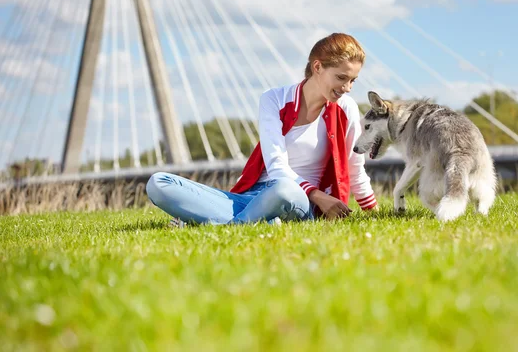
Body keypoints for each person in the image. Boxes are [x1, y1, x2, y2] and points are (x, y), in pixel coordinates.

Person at [146, 32, 378, 226]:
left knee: (284, 190)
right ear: (317, 67)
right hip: (251, 197)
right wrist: (320, 196)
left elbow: (355, 168)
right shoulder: (274, 99)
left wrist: (372, 211)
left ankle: (227, 226)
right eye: (341, 78)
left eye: (353, 80)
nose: (347, 88)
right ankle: (257, 221)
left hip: (297, 200)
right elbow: (276, 166)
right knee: (159, 183)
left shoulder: (345, 108)